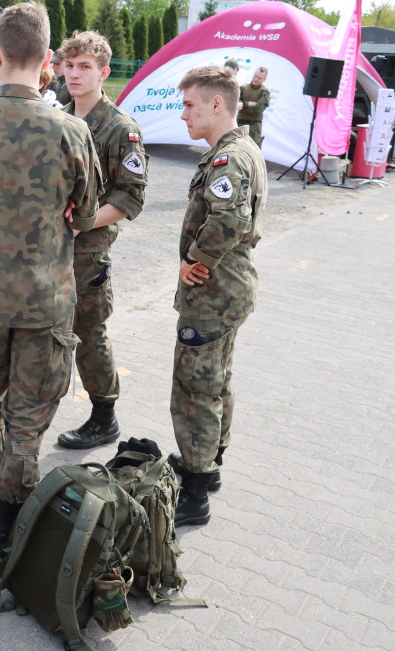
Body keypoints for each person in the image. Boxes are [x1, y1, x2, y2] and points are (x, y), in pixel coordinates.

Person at [0, 2, 102, 559]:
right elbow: (85, 216)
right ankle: (5, 531)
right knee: (27, 419)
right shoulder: (71, 130)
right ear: (50, 61)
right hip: (43, 301)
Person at [168, 65, 268, 526]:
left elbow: (228, 220)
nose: (183, 113)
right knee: (217, 379)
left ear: (215, 104)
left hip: (214, 292)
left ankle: (195, 490)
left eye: (189, 105)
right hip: (228, 291)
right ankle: (209, 465)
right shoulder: (240, 149)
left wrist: (195, 259)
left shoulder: (230, 158)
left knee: (195, 389)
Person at [55, 31, 149, 451]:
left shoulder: (119, 128)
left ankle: (103, 415)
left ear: (103, 73)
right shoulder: (59, 115)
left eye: (85, 67)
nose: (74, 74)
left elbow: (130, 197)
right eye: (69, 65)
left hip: (86, 252)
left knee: (88, 332)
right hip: (50, 245)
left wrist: (83, 224)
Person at [237, 66, 270, 148]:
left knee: (252, 151)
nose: (256, 79)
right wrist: (249, 104)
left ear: (264, 79)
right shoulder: (243, 88)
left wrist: (243, 105)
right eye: (255, 76)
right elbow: (235, 103)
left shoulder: (264, 92)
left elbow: (258, 109)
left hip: (254, 126)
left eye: (259, 78)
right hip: (240, 122)